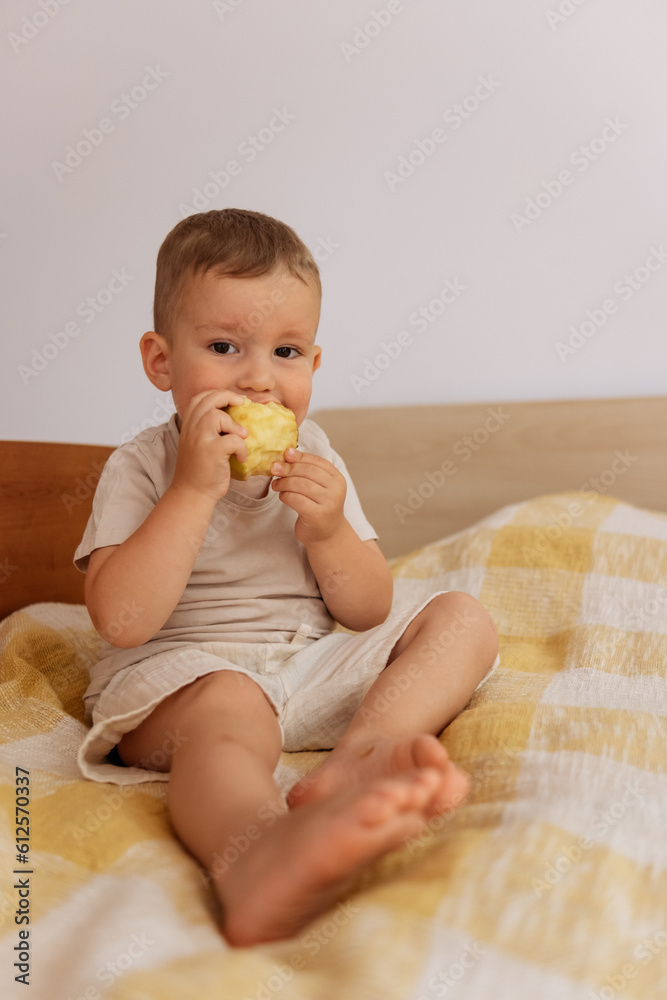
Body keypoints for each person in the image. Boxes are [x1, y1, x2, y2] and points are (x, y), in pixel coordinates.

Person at [75, 208, 499, 947]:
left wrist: (331, 531)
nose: (259, 379)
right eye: (222, 346)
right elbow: (121, 621)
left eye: (286, 351)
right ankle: (256, 856)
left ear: (314, 364)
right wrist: (191, 492)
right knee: (230, 709)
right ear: (161, 362)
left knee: (462, 617)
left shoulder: (318, 456)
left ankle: (358, 761)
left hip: (306, 667)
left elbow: (367, 610)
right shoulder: (142, 464)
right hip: (181, 681)